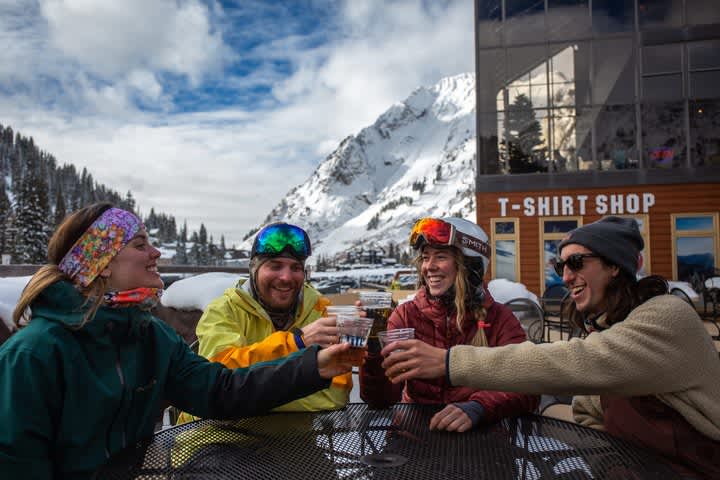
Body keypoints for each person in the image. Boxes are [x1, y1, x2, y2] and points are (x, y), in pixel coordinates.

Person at [0, 203, 353, 479]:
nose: (156, 253)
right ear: (102, 264)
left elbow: (220, 390)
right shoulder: (34, 353)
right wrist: (298, 348)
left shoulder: (149, 334)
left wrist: (314, 366)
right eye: (140, 245)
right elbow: (17, 465)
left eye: (296, 268)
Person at [382, 216, 720, 478]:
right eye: (561, 266)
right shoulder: (610, 330)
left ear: (615, 265)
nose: (566, 276)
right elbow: (588, 411)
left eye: (576, 263)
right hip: (415, 446)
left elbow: (577, 363)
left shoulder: (667, 316)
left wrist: (451, 366)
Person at [360, 217, 538, 431]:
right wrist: (373, 349)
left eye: (441, 257)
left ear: (470, 266)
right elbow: (380, 400)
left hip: (482, 443)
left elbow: (528, 386)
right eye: (425, 258)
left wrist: (479, 407)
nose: (429, 267)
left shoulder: (499, 319)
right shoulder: (405, 316)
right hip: (414, 441)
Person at [178, 222, 349, 424]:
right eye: (275, 266)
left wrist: (247, 394)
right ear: (254, 270)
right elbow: (219, 389)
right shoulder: (224, 311)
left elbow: (336, 394)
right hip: (215, 436)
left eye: (296, 267)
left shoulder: (320, 310)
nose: (286, 277)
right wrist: (296, 344)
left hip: (292, 440)